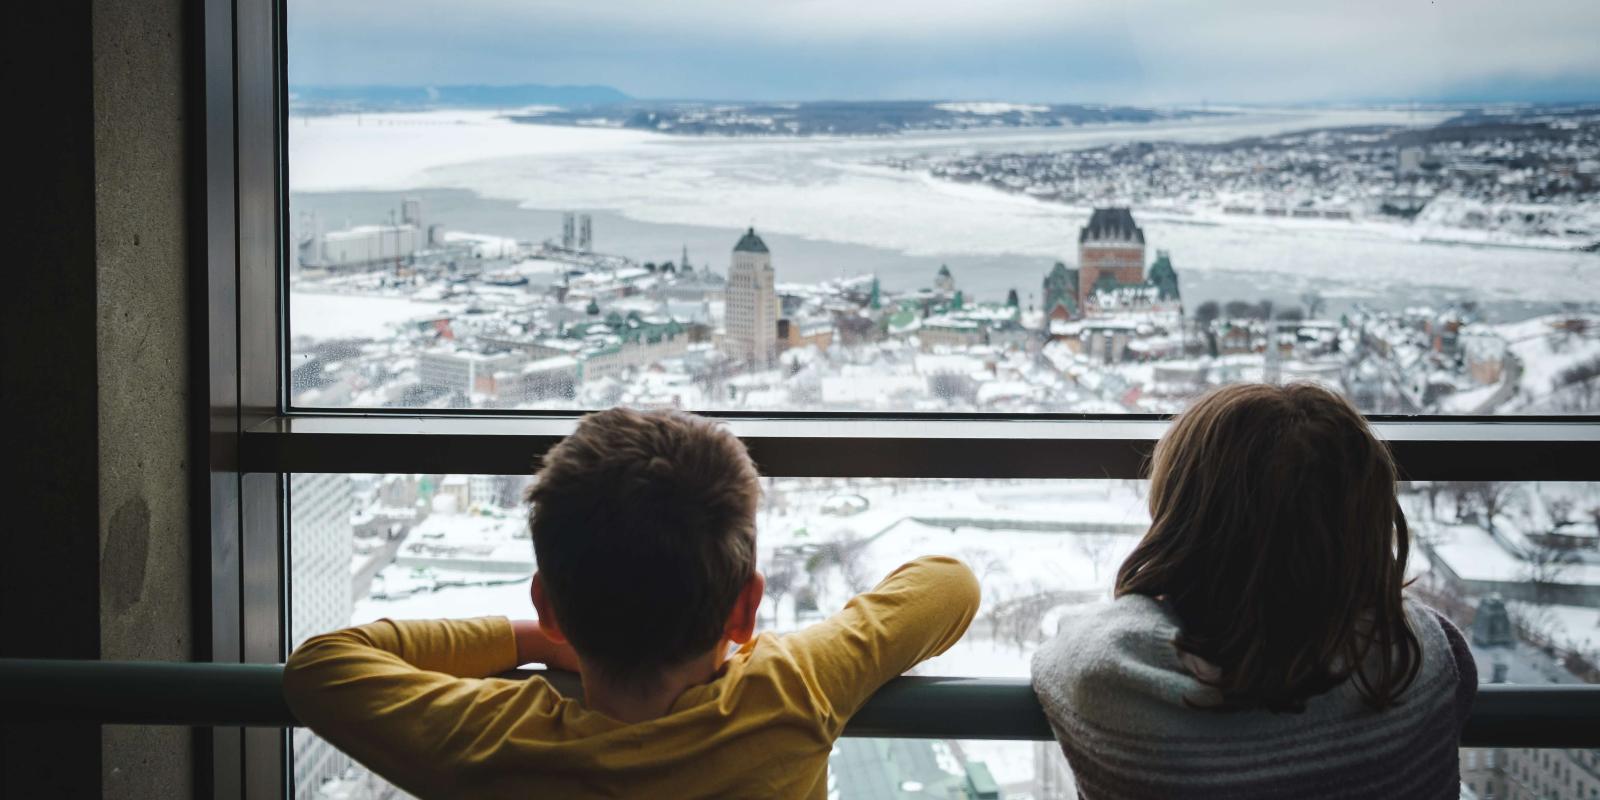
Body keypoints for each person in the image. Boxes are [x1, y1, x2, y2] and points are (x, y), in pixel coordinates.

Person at [284, 408, 980, 799]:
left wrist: (528, 640)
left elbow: (321, 668)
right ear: (743, 611)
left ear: (550, 605)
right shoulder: (792, 691)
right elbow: (951, 586)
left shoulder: (494, 742)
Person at [1031, 383, 1476, 799]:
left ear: (1183, 520)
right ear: (1367, 522)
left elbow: (1065, 654)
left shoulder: (1110, 678)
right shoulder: (1423, 654)